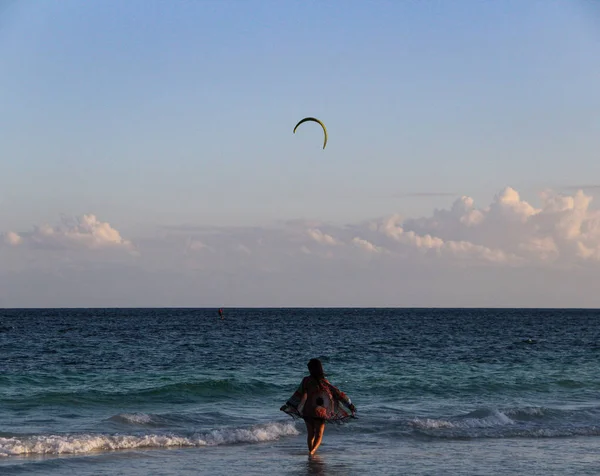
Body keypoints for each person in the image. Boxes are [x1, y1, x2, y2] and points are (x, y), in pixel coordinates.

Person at [280, 358, 356, 455]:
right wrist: (349, 404)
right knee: (319, 435)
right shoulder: (324, 381)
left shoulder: (306, 380)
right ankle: (312, 452)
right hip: (320, 411)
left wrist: (288, 405)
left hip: (308, 410)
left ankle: (311, 453)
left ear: (311, 369)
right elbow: (337, 394)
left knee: (311, 434)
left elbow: (298, 394)